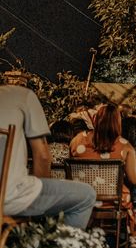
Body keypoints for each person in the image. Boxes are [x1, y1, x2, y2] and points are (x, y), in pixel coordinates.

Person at [0, 84, 96, 229]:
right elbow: (43, 156)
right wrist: (44, 205)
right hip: (10, 197)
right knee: (86, 195)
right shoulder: (20, 95)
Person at [70, 104, 136, 211]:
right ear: (118, 122)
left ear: (95, 119)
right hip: (114, 200)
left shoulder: (77, 140)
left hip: (80, 199)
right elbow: (133, 180)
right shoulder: (125, 146)